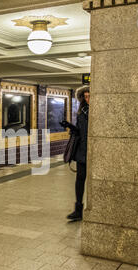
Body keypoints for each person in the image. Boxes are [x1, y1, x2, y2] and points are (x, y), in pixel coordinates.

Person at [59, 86, 90, 222]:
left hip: (96, 152)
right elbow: (80, 131)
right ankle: (78, 209)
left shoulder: (99, 111)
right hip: (82, 151)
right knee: (80, 180)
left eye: (90, 96)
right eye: (86, 97)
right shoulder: (81, 112)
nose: (88, 99)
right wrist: (71, 128)